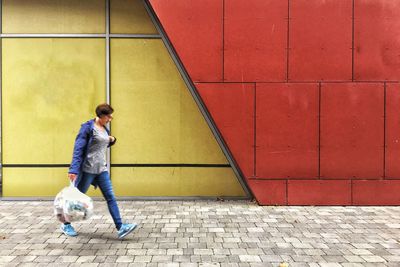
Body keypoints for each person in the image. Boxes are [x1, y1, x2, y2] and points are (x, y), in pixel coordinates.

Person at [62, 103, 137, 239]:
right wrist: (73, 169)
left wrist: (112, 140)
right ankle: (66, 224)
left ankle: (120, 227)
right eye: (108, 116)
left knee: (110, 197)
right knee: (78, 199)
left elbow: (102, 143)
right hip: (88, 170)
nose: (111, 118)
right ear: (101, 116)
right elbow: (78, 149)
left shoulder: (104, 128)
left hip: (101, 170)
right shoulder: (87, 128)